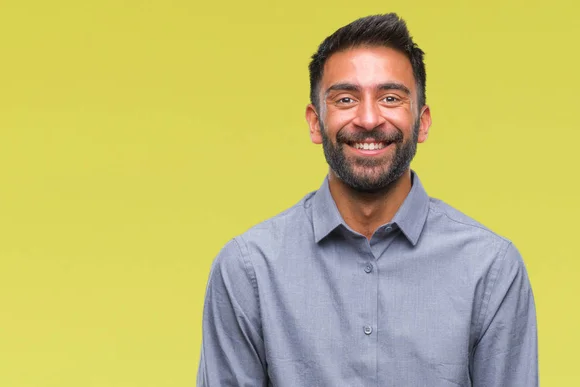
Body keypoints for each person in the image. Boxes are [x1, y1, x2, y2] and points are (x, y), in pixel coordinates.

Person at [196, 13, 538, 387]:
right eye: (346, 98)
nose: (369, 118)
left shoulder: (491, 269)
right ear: (315, 122)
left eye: (390, 97)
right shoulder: (248, 271)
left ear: (422, 122)